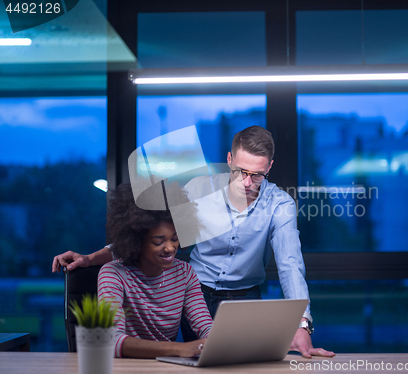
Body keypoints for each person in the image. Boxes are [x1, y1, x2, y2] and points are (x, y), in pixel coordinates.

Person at [53, 126, 334, 358]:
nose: (247, 183)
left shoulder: (280, 204)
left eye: (257, 175)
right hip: (197, 290)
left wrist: (302, 324)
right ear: (230, 160)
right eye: (241, 172)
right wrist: (91, 259)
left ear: (270, 167)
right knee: (197, 358)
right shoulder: (200, 189)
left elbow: (290, 265)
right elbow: (149, 231)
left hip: (245, 297)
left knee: (237, 363)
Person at [96, 183, 212, 358]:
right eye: (159, 242)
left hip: (164, 367)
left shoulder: (184, 273)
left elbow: (204, 325)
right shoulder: (113, 274)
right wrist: (179, 349)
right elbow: (111, 340)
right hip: (125, 368)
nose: (170, 248)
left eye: (175, 239)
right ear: (137, 240)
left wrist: (217, 341)